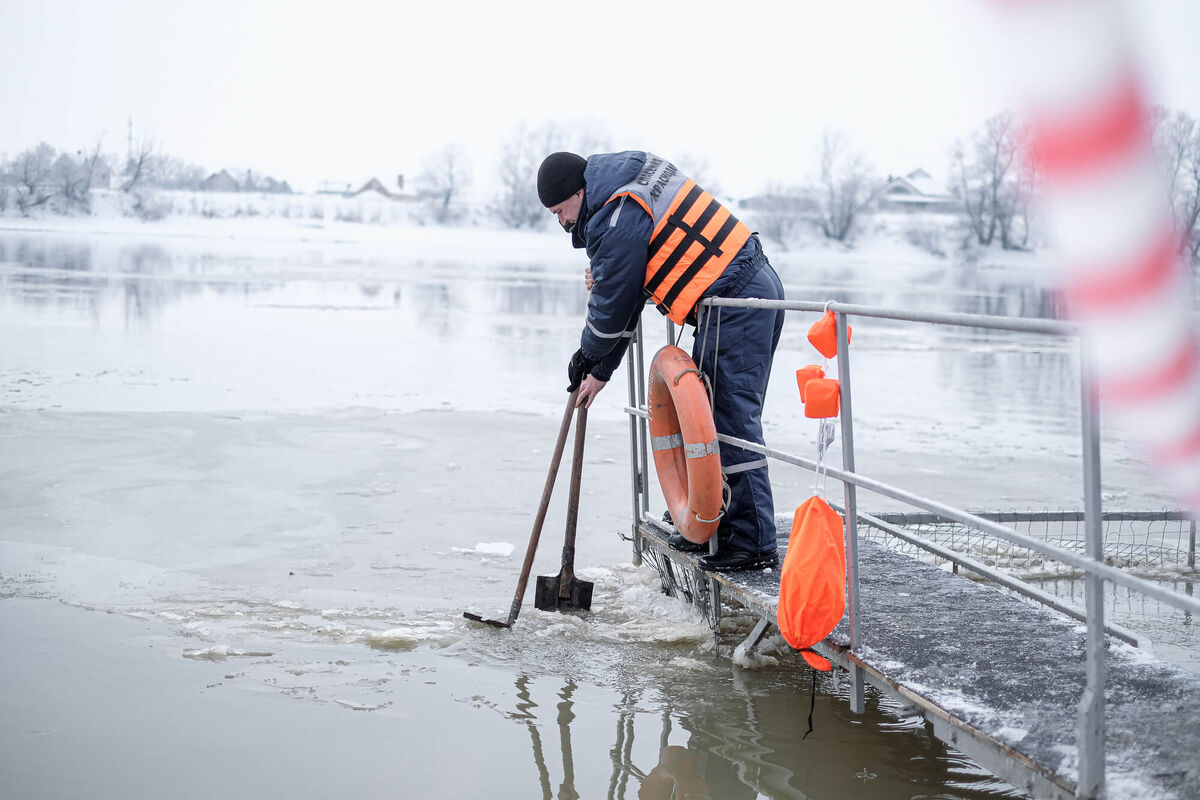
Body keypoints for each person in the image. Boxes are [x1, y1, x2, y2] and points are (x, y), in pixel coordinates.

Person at [537, 150, 786, 572]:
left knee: (729, 422)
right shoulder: (621, 185)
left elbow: (614, 301)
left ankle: (753, 542)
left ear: (579, 193)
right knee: (710, 417)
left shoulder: (615, 213)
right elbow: (628, 290)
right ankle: (717, 527)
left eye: (561, 210)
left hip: (738, 299)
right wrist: (599, 369)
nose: (562, 222)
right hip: (733, 294)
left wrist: (588, 353)